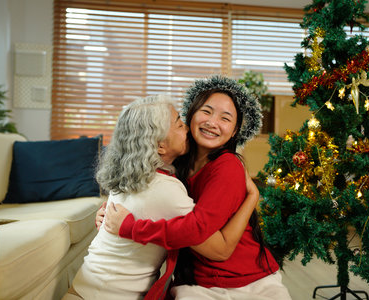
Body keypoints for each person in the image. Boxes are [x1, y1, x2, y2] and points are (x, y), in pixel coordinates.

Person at [104, 75, 292, 300]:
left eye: (225, 118)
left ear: (234, 132)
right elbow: (148, 191)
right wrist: (113, 209)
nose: (213, 122)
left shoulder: (227, 166)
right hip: (198, 279)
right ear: (190, 114)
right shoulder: (179, 159)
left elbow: (200, 231)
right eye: (207, 111)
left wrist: (130, 227)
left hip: (242, 280)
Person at [63, 94, 259, 300]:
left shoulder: (130, 176)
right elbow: (221, 249)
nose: (186, 127)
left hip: (84, 288)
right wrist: (253, 195)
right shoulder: (166, 189)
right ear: (160, 146)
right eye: (179, 123)